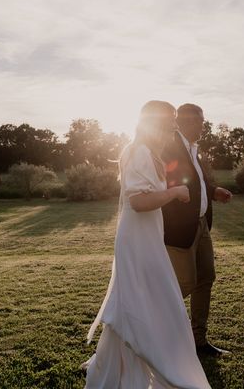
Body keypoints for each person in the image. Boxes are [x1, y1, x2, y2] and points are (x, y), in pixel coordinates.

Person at [84, 101, 211, 389]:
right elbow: (139, 201)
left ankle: (117, 368)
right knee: (158, 302)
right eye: (169, 123)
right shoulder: (140, 152)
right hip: (137, 241)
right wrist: (175, 192)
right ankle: (164, 364)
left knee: (138, 301)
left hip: (147, 237)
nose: (173, 128)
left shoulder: (148, 152)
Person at [162, 103, 233, 357]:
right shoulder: (169, 147)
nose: (204, 126)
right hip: (179, 228)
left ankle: (198, 341)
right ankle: (153, 332)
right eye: (200, 121)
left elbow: (198, 181)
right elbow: (169, 183)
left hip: (202, 224)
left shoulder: (194, 149)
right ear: (187, 121)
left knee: (206, 279)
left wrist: (214, 191)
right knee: (184, 283)